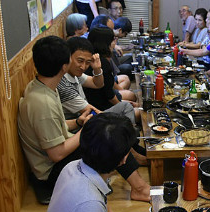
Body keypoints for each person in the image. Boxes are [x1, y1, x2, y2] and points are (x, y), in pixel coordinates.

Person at [17, 36, 150, 202]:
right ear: (64, 65)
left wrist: (78, 122)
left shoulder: (42, 86)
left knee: (108, 129)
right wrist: (86, 129)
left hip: (59, 154)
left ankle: (138, 183)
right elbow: (56, 154)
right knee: (108, 136)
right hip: (51, 173)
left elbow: (55, 125)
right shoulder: (43, 102)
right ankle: (140, 189)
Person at [84, 27, 139, 111]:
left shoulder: (94, 57)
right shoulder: (101, 62)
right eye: (113, 40)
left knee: (134, 101)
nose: (115, 42)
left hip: (99, 100)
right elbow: (110, 97)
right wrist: (123, 107)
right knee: (137, 108)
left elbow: (108, 87)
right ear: (105, 43)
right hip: (101, 106)